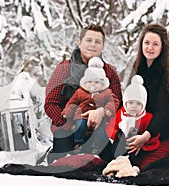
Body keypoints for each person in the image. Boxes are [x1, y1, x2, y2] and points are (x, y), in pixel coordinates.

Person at [44, 24, 122, 163]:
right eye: (88, 40)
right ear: (79, 42)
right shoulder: (64, 69)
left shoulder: (110, 73)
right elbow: (51, 104)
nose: (93, 45)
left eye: (97, 42)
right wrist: (69, 124)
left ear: (103, 46)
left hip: (98, 129)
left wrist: (102, 113)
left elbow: (117, 104)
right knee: (63, 165)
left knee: (109, 164)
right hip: (66, 128)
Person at [115, 23, 169, 169]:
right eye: (146, 43)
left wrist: (146, 136)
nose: (150, 48)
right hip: (146, 128)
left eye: (155, 44)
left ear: (162, 47)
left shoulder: (167, 71)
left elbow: (164, 111)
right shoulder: (139, 66)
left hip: (167, 131)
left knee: (147, 166)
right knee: (125, 160)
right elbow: (129, 100)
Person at [62, 57, 119, 154]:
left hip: (99, 119)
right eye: (90, 82)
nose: (93, 84)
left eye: (97, 82)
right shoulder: (80, 92)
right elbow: (72, 103)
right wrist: (67, 112)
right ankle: (78, 143)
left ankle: (96, 147)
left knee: (100, 131)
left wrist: (108, 109)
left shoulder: (106, 92)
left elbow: (113, 101)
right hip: (82, 115)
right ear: (85, 82)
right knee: (80, 126)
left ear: (102, 83)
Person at [106, 75, 160, 159]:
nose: (134, 106)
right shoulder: (120, 114)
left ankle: (129, 161)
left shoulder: (147, 117)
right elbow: (110, 127)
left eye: (138, 104)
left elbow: (155, 134)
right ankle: (115, 159)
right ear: (125, 103)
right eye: (131, 103)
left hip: (139, 147)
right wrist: (117, 134)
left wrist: (142, 138)